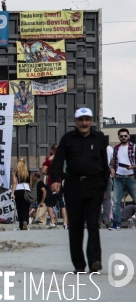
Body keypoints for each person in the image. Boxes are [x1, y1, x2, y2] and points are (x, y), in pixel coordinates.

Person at [50, 107, 109, 273]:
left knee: (93, 224)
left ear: (91, 121)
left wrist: (104, 186)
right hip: (73, 185)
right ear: (76, 121)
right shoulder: (68, 139)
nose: (84, 123)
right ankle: (79, 264)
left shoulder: (99, 138)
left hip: (95, 185)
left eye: (87, 119)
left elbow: (104, 164)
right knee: (75, 226)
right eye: (81, 120)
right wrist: (55, 179)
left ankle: (95, 261)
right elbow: (58, 161)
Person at [109, 128, 136, 231]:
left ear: (128, 136)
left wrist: (132, 167)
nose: (123, 137)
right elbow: (113, 160)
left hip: (131, 177)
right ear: (119, 137)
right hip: (119, 178)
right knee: (116, 202)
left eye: (125, 136)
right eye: (121, 136)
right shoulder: (116, 148)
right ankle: (116, 224)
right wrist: (111, 169)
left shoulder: (133, 147)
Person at [11, 158, 31, 230]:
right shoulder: (27, 171)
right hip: (26, 190)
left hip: (18, 190)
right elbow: (30, 183)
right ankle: (25, 221)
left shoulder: (15, 171)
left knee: (19, 208)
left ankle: (21, 224)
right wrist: (30, 191)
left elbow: (14, 183)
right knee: (26, 208)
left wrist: (12, 193)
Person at [100, 143, 114, 228]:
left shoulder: (93, 147)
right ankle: (106, 219)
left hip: (96, 176)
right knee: (107, 199)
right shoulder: (109, 148)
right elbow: (113, 159)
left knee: (95, 199)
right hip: (107, 175)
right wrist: (111, 168)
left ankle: (98, 221)